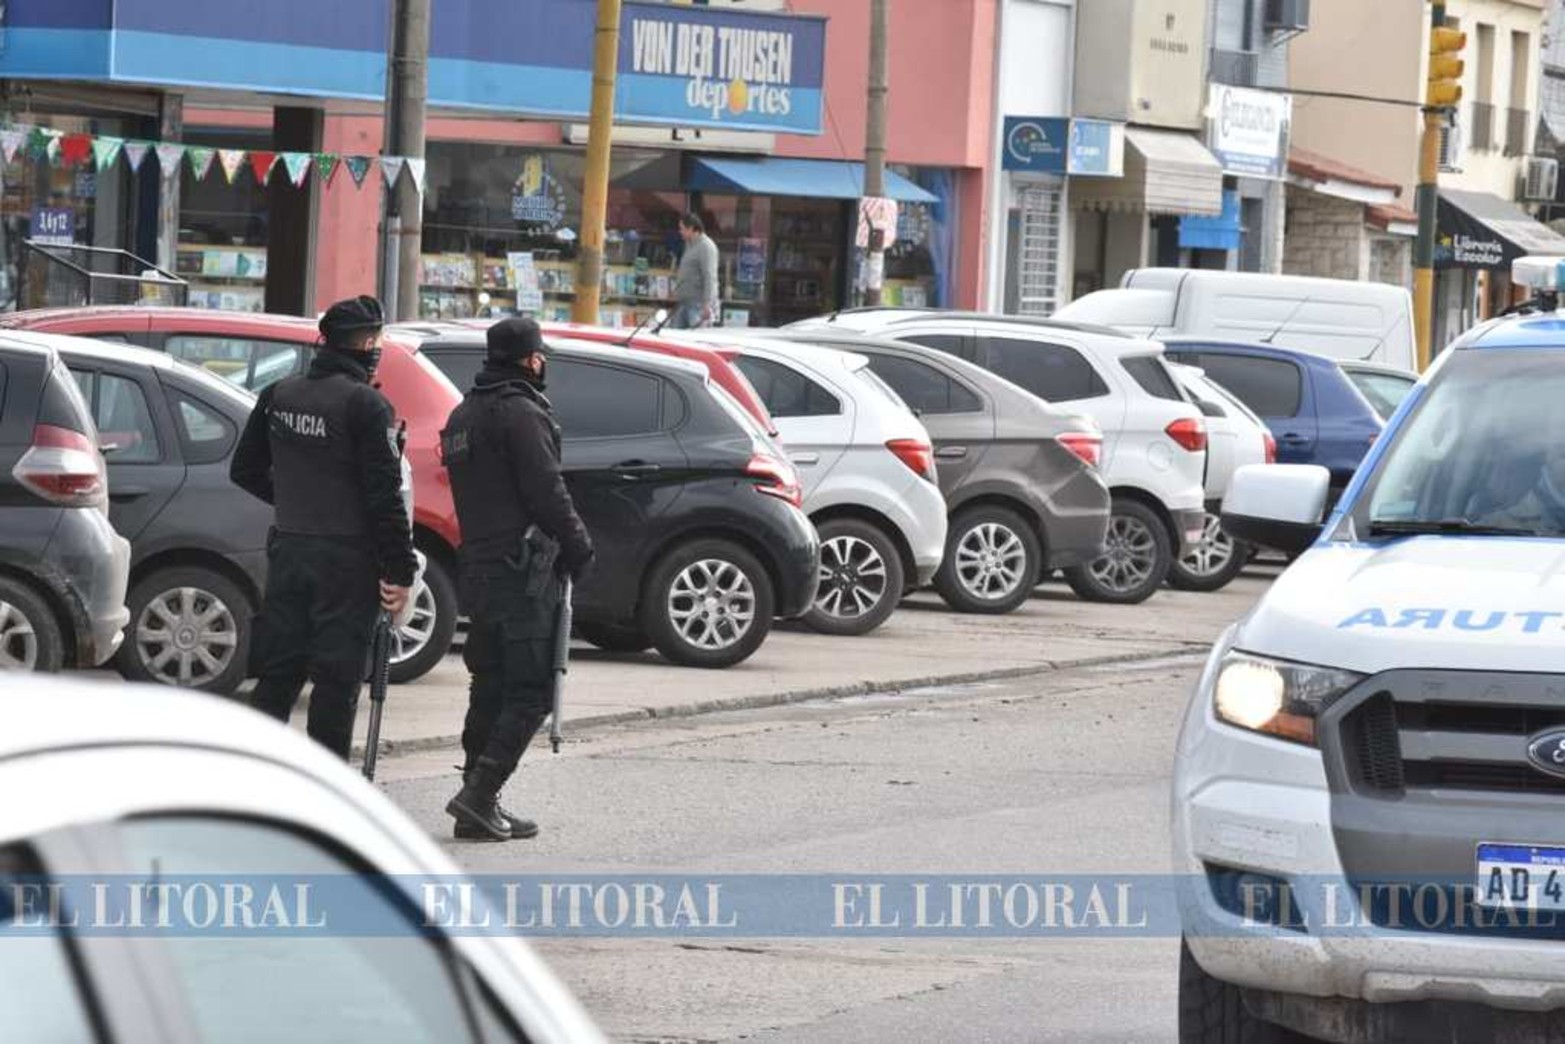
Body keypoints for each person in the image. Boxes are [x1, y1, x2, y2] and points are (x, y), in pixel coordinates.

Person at [231, 295, 416, 760]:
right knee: (336, 682)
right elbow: (383, 497)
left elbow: (245, 470)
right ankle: (327, 784)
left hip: (290, 551)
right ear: (369, 343)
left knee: (278, 675)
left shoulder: (279, 393)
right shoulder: (367, 405)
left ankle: (252, 777)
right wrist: (401, 571)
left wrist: (297, 501)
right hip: (346, 563)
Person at [440, 317, 594, 841]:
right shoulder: (522, 414)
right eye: (540, 355)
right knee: (530, 690)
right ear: (531, 359)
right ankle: (480, 793)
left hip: (479, 567)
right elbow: (548, 492)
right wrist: (578, 546)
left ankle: (479, 803)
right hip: (522, 570)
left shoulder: (462, 414)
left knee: (490, 685)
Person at [669, 212, 719, 329]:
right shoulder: (689, 245)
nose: (680, 232)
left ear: (691, 228)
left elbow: (709, 276)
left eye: (682, 229)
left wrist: (707, 303)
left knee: (695, 336)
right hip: (683, 301)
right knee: (675, 334)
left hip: (698, 304)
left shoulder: (706, 247)